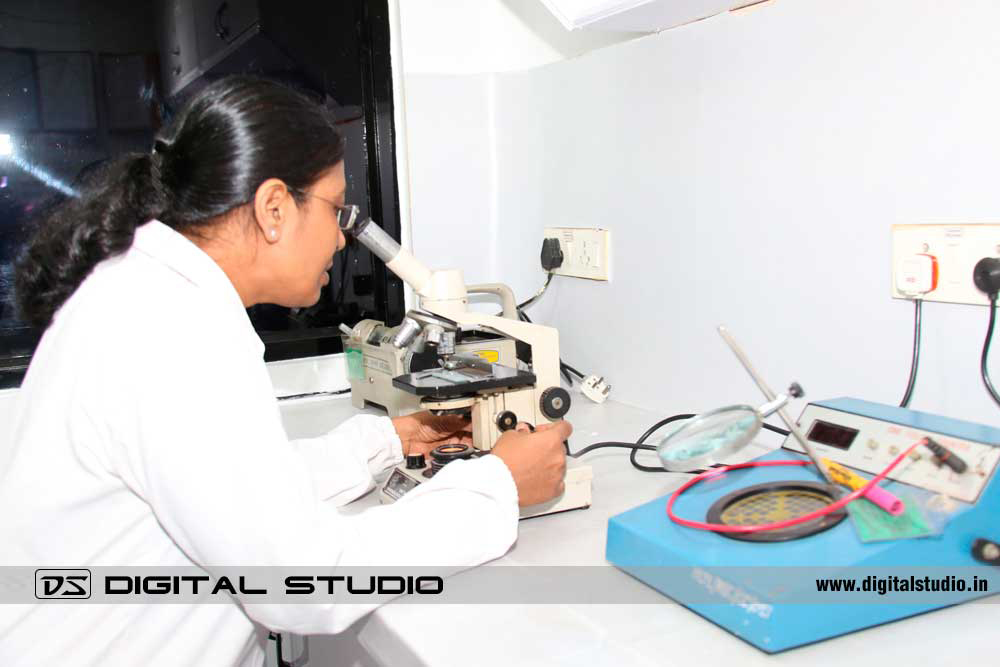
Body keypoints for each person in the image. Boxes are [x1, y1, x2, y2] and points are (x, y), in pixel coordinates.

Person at [0, 76, 570, 666]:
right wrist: (497, 487)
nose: (342, 238)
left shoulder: (147, 294)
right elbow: (300, 582)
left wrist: (387, 442)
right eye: (335, 209)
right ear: (274, 208)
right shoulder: (174, 330)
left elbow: (224, 486)